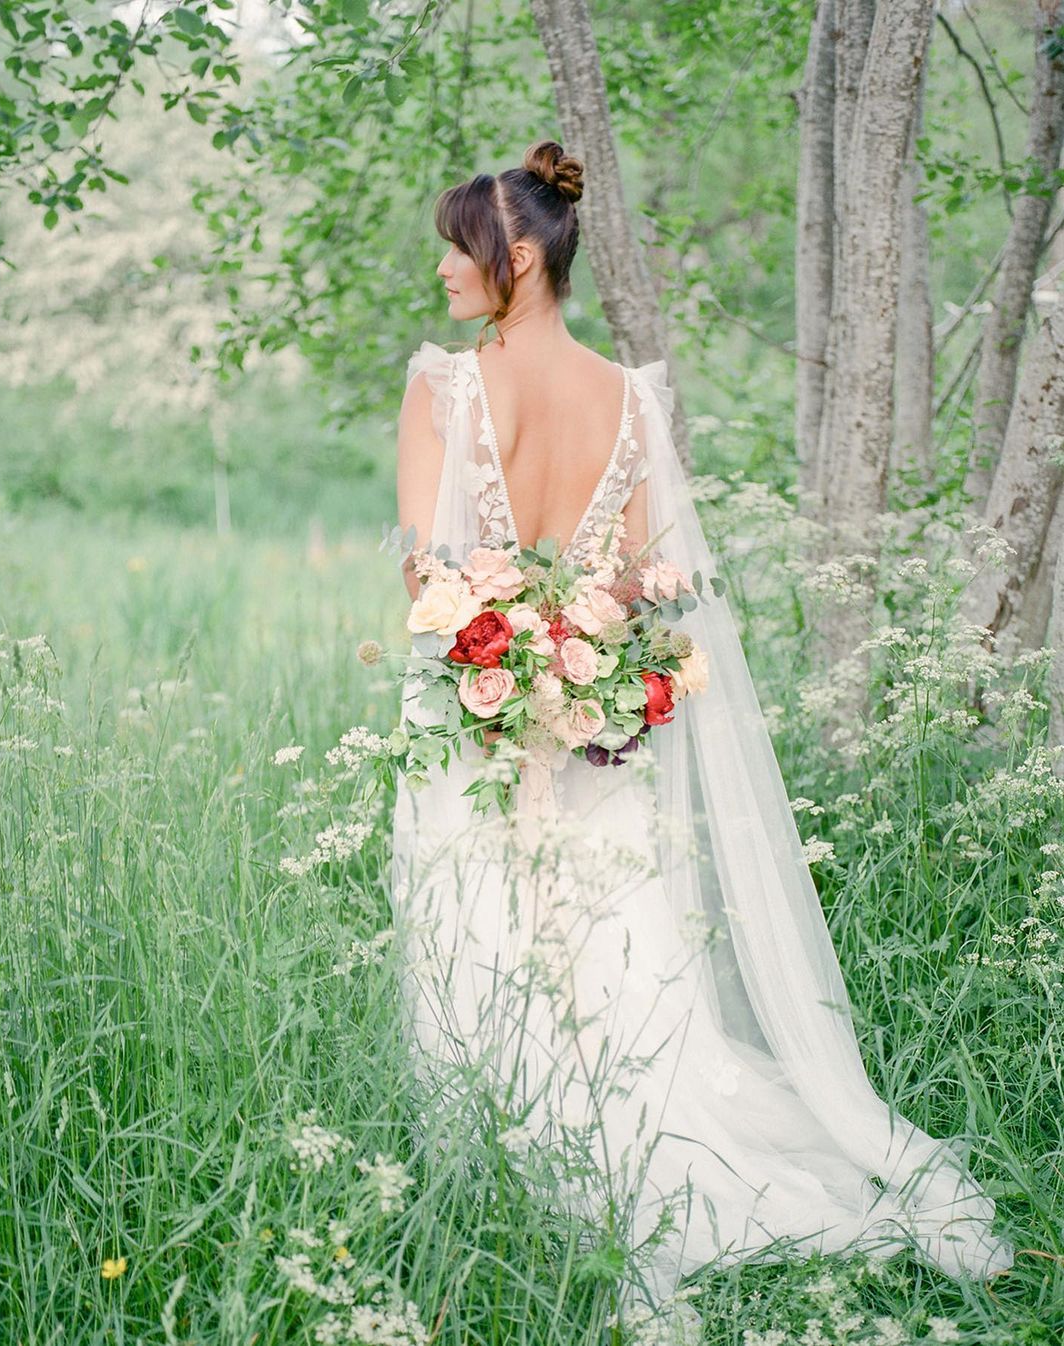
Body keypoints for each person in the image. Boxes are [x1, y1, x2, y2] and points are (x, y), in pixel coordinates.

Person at [390, 138, 1014, 1317]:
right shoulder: (631, 399)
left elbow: (426, 576)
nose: (444, 272)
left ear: (515, 256)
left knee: (488, 945)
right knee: (629, 967)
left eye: (458, 252)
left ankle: (503, 1177)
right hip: (598, 734)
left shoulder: (445, 384)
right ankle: (657, 1155)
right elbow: (650, 577)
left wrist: (506, 639)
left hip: (484, 733)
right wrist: (577, 631)